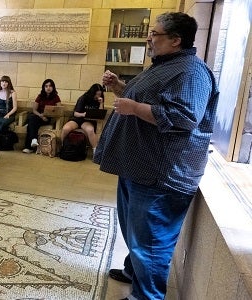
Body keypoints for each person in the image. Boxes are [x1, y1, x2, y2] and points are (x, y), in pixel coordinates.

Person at [95, 12, 219, 300]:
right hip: (140, 167)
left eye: (156, 34)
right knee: (136, 233)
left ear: (176, 40)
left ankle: (146, 296)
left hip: (160, 175)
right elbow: (151, 101)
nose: (149, 38)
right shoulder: (166, 65)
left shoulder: (190, 72)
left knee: (150, 243)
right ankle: (132, 272)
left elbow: (185, 117)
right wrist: (119, 88)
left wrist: (134, 109)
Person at [61, 83, 105, 152]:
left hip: (88, 120)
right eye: (96, 94)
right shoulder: (83, 98)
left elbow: (100, 114)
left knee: (90, 130)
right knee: (66, 129)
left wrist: (101, 103)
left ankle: (96, 151)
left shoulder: (99, 101)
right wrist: (83, 114)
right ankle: (63, 147)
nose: (98, 96)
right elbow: (75, 113)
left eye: (99, 94)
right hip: (78, 119)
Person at [22, 79, 61, 153]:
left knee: (31, 122)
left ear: (53, 87)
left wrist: (48, 116)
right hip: (39, 116)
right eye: (46, 86)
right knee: (32, 120)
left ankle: (29, 146)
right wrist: (41, 116)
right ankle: (33, 141)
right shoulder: (40, 96)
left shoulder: (56, 97)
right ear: (43, 87)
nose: (48, 88)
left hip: (48, 118)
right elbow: (34, 110)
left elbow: (59, 111)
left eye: (50, 86)